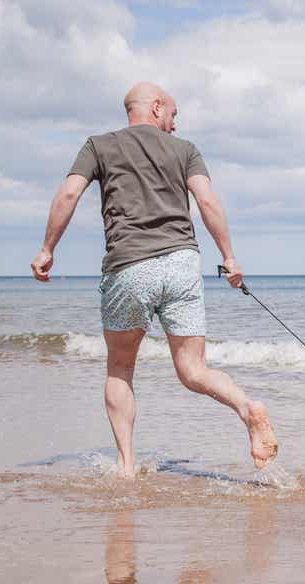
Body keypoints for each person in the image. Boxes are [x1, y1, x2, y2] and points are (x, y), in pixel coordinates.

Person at [29, 82, 278, 477]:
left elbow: (68, 195)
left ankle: (126, 466)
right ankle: (247, 408)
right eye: (174, 115)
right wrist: (229, 257)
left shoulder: (98, 145)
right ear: (156, 107)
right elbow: (208, 201)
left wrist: (47, 248)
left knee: (120, 369)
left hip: (130, 266)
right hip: (182, 263)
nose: (175, 126)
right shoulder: (186, 151)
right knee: (193, 370)